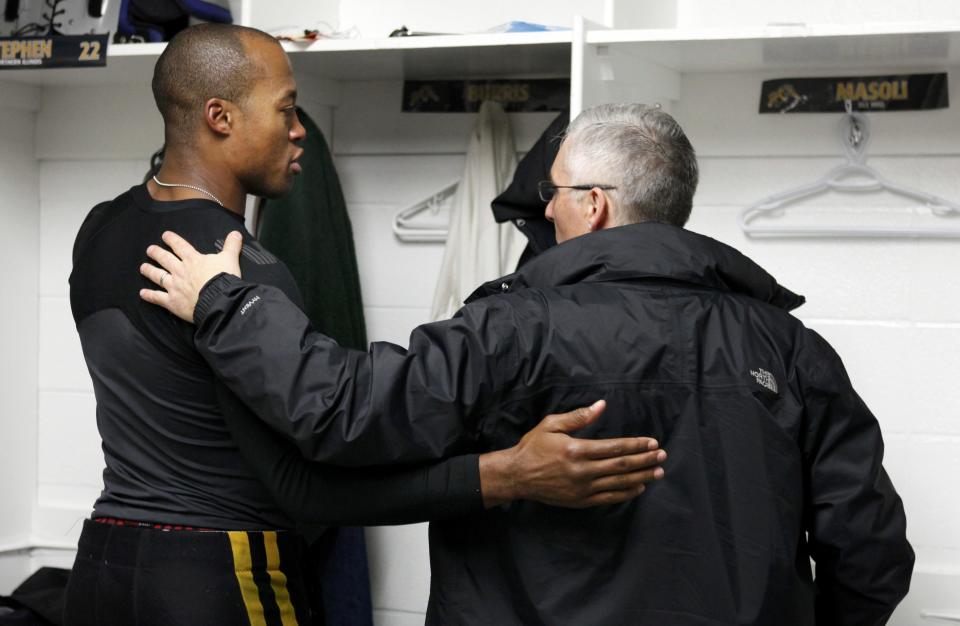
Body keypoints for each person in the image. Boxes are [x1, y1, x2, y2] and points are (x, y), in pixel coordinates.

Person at [143, 102, 916, 625]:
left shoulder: (509, 328)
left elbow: (344, 412)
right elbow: (869, 553)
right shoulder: (794, 350)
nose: (543, 210)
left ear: (597, 204)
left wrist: (225, 303)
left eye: (554, 193)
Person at [64, 25, 667, 626]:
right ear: (220, 116)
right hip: (214, 576)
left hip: (100, 567)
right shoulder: (242, 272)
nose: (299, 130)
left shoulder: (99, 229)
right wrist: (508, 474)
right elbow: (305, 489)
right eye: (287, 109)